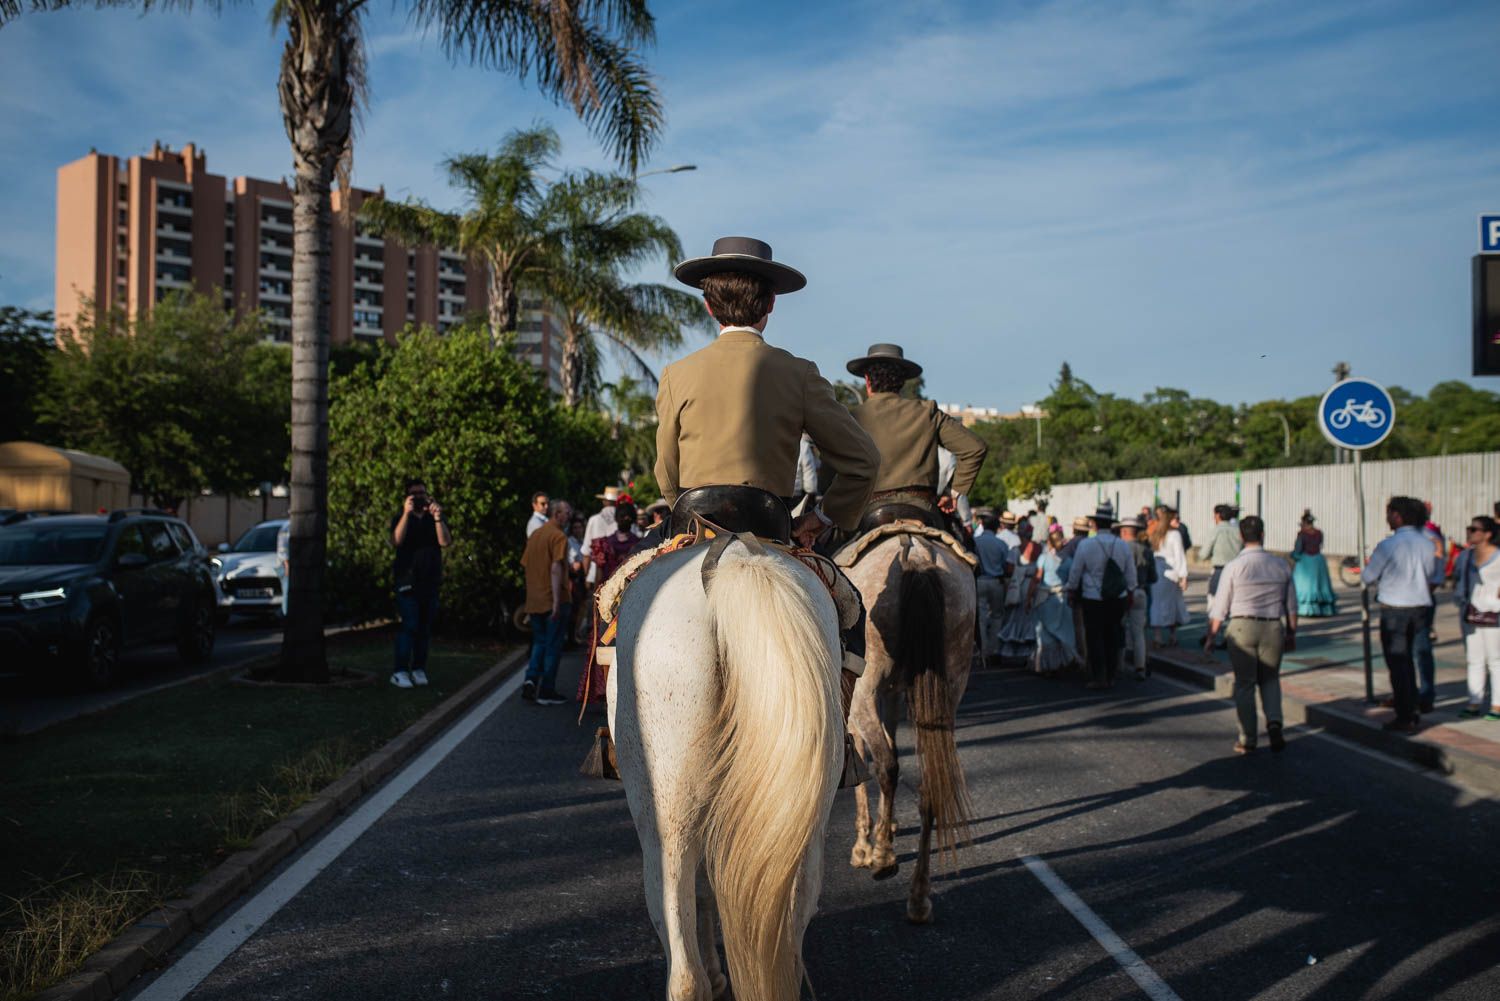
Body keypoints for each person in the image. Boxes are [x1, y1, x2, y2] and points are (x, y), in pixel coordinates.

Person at [657, 236, 879, 548]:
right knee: (842, 594)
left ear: (708, 306)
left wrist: (683, 514)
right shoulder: (800, 374)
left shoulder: (675, 375)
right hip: (771, 532)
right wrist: (820, 518)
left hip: (695, 528)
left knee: (621, 587)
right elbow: (864, 461)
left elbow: (667, 471)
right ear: (771, 303)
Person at [845, 343, 987, 529]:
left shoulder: (852, 419)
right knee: (967, 547)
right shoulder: (927, 412)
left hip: (865, 511)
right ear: (902, 381)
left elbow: (830, 473)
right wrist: (953, 493)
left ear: (867, 381)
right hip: (923, 509)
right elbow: (975, 448)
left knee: (825, 553)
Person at [1202, 516, 1297, 754]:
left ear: (1241, 537)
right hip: (1273, 626)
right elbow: (1292, 605)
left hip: (1242, 626)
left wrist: (1211, 637)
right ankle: (1274, 721)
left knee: (1245, 684)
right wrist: (1292, 632)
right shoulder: (1281, 564)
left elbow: (1220, 606)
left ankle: (1248, 738)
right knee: (1270, 678)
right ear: (1263, 535)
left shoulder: (1234, 566)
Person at [1364, 496, 1439, 732]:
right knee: (1414, 658)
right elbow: (1432, 575)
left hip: (1395, 608)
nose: (1387, 518)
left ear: (1397, 516)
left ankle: (1405, 714)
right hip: (1420, 607)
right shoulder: (1428, 544)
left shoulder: (1388, 545)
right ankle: (1414, 703)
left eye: (1389, 514)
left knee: (1398, 662)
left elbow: (1368, 576)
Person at [1066, 503, 1137, 690]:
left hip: (1092, 597)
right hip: (1117, 597)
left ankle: (1099, 676)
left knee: (1094, 637)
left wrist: (1071, 590)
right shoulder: (1122, 545)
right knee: (1112, 635)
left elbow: (1076, 572)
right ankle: (1112, 674)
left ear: (1095, 524)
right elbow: (1131, 574)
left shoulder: (1086, 545)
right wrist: (1130, 592)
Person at [390, 478, 451, 688]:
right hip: (407, 580)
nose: (418, 497)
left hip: (430, 581)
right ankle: (399, 670)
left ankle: (418, 668)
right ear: (407, 497)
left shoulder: (432, 518)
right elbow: (396, 540)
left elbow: (445, 541)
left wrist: (437, 518)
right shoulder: (400, 518)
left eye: (422, 493)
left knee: (424, 628)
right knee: (410, 625)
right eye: (414, 494)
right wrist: (406, 514)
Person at [577, 503, 639, 705]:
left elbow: (598, 578)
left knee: (604, 643)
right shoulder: (638, 544)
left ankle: (606, 689)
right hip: (622, 600)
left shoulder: (606, 543)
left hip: (610, 601)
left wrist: (595, 596)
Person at [521, 498, 573, 706]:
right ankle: (547, 689)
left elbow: (527, 565)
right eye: (566, 512)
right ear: (556, 514)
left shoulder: (535, 535)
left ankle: (531, 678)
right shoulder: (559, 536)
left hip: (534, 599)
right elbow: (555, 568)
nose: (568, 516)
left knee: (539, 642)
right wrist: (556, 602)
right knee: (552, 646)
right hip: (553, 599)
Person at [1455, 516, 1500, 719]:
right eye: (1469, 528)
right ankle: (1474, 701)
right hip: (1470, 613)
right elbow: (1458, 579)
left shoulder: (1499, 556)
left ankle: (1497, 705)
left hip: (1495, 613)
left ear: (1488, 534)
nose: (1470, 532)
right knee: (1474, 659)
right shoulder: (1465, 556)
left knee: (1496, 660)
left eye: (1474, 529)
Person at [1114, 515, 1157, 680]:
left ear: (1124, 532)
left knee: (1120, 629)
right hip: (1141, 591)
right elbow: (1154, 577)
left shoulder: (1120, 549)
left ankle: (1119, 664)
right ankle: (1140, 667)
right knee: (1138, 633)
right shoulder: (1146, 550)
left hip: (1122, 593)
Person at [1033, 526, 1080, 675]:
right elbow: (1073, 580)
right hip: (1062, 597)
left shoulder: (1044, 558)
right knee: (1064, 631)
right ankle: (1066, 660)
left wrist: (1029, 598)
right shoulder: (1068, 561)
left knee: (1046, 634)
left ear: (1049, 542)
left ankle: (1048, 665)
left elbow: (1037, 579)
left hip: (1046, 598)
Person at [1148, 505, 1191, 647]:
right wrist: (1183, 576)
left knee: (1157, 604)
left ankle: (1157, 636)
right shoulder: (1175, 534)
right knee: (1173, 604)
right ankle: (1172, 635)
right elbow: (1179, 555)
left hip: (1157, 573)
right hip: (1172, 573)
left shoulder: (1155, 534)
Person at [974, 513, 1012, 665]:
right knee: (997, 616)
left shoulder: (976, 542)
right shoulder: (1000, 544)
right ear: (997, 527)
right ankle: (993, 650)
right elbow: (1006, 565)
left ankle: (983, 651)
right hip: (996, 581)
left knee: (981, 618)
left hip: (980, 581)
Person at [999, 539, 1043, 662]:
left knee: (1020, 616)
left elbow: (1009, 569)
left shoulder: (1017, 550)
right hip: (1026, 587)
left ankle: (1020, 650)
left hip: (1025, 586)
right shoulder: (1030, 549)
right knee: (1024, 616)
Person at [1291, 510, 1337, 616]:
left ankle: (1304, 609)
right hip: (1318, 560)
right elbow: (1320, 544)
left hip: (1305, 561)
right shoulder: (1319, 533)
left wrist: (1294, 555)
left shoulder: (1302, 534)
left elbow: (1298, 548)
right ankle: (1322, 609)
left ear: (1304, 523)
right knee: (1319, 585)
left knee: (1304, 585)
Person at [1201, 504, 1244, 602]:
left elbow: (1203, 554)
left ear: (1217, 515)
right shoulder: (1238, 530)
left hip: (1220, 570)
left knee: (1215, 602)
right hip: (1237, 571)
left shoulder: (1216, 531)